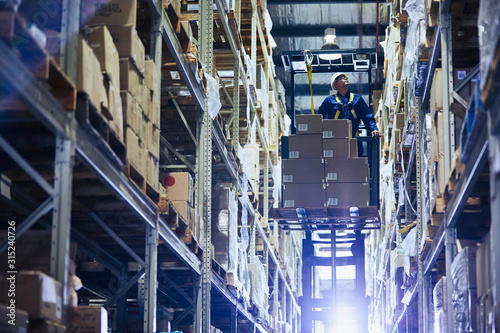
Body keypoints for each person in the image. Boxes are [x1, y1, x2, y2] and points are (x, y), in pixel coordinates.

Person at [319, 73, 381, 142]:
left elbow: (367, 116)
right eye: (342, 78)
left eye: (346, 77)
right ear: (336, 84)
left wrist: (374, 129)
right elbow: (319, 119)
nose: (346, 78)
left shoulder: (357, 98)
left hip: (355, 140)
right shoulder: (329, 101)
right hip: (335, 142)